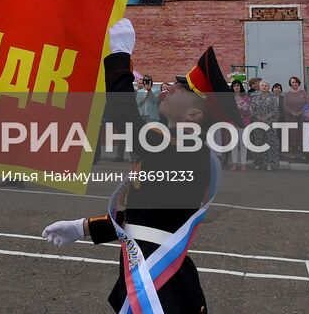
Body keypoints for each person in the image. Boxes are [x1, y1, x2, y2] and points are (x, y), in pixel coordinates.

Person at [42, 22, 235, 314]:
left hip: (160, 286)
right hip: (151, 272)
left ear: (195, 114)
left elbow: (125, 116)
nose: (168, 87)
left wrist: (120, 56)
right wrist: (83, 228)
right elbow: (144, 218)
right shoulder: (176, 146)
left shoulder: (183, 150)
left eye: (180, 87)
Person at [249, 80, 281, 171]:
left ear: (269, 87)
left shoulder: (273, 97)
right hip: (257, 122)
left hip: (269, 123)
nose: (264, 87)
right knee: (258, 143)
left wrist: (266, 117)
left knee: (270, 143)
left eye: (266, 85)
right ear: (259, 86)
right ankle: (258, 163)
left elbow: (275, 110)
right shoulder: (254, 96)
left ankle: (269, 163)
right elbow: (252, 109)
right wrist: (259, 117)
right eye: (262, 85)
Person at [228, 79, 251, 172]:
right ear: (232, 88)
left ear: (240, 87)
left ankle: (243, 164)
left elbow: (249, 111)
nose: (236, 87)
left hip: (243, 122)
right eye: (234, 86)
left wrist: (243, 109)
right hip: (233, 122)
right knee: (234, 144)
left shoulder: (246, 98)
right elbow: (228, 111)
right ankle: (234, 163)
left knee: (243, 143)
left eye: (237, 85)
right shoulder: (229, 98)